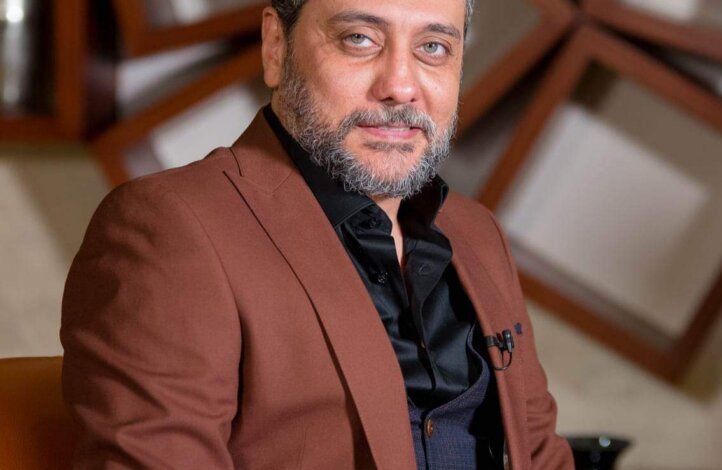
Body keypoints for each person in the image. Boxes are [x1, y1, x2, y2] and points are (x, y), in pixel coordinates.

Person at [61, 0, 574, 468]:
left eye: (433, 47)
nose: (400, 85)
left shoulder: (477, 232)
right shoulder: (169, 226)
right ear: (276, 46)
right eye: (359, 39)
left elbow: (540, 453)